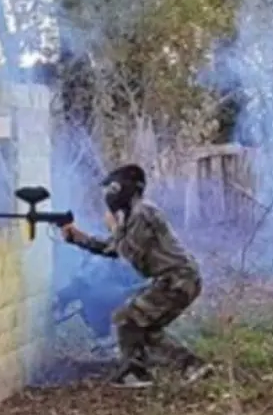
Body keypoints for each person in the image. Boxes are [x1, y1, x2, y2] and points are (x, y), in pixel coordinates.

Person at [59, 163, 213, 388]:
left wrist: (114, 227)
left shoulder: (143, 213)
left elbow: (129, 252)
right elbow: (113, 247)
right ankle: (189, 366)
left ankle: (135, 372)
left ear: (125, 189)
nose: (108, 195)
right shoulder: (135, 215)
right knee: (144, 328)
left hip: (177, 279)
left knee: (127, 318)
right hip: (176, 278)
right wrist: (78, 238)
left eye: (112, 189)